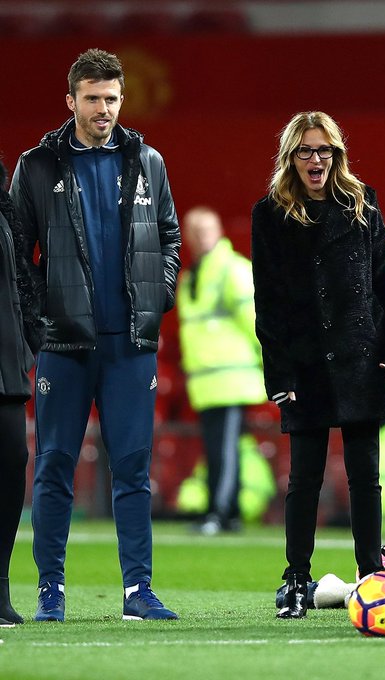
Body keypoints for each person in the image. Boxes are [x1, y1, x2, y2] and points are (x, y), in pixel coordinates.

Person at [9, 48, 181, 622]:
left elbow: (170, 237)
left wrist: (154, 304)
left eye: (111, 98)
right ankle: (50, 590)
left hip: (130, 345)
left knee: (133, 468)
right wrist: (42, 320)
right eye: (92, 98)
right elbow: (18, 255)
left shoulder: (148, 161)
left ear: (121, 99)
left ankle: (138, 591)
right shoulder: (36, 166)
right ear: (71, 100)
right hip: (65, 345)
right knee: (54, 463)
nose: (103, 108)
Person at [251, 111, 385, 619]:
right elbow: (268, 302)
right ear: (291, 157)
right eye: (306, 151)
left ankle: (371, 573)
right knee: (305, 479)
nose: (316, 160)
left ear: (337, 155)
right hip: (305, 364)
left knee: (366, 477)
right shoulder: (270, 214)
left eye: (324, 151)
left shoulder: (362, 204)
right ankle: (297, 578)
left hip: (364, 358)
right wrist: (280, 376)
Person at [176, 206, 267, 535]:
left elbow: (256, 322)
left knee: (225, 449)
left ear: (217, 231)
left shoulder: (231, 270)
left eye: (204, 230)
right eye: (193, 231)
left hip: (231, 378)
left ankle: (220, 512)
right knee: (218, 449)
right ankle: (226, 513)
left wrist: (269, 361)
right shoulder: (191, 276)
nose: (198, 237)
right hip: (207, 381)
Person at [0, 159, 44, 626]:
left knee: (13, 464)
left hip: (7, 366)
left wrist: (31, 335)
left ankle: (0, 585)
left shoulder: (4, 207)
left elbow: (21, 280)